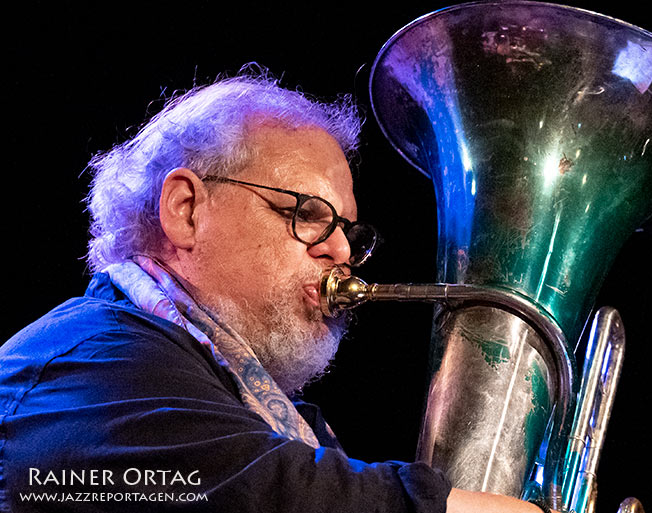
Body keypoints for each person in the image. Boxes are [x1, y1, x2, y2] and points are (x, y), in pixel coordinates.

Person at [0, 68, 551, 513]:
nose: (340, 252)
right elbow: (265, 491)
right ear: (186, 211)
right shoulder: (87, 365)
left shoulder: (258, 407)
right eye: (307, 215)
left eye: (348, 233)